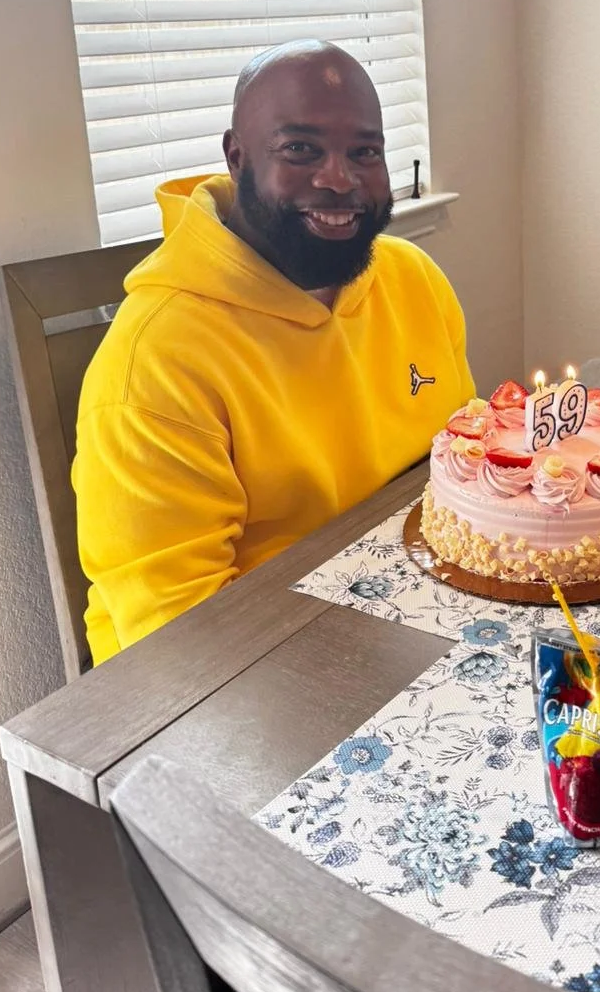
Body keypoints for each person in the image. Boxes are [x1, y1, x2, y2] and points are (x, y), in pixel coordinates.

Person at [74, 41, 475, 664]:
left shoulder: (414, 277)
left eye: (364, 152)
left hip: (423, 612)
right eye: (301, 149)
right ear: (236, 157)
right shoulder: (154, 361)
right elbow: (178, 640)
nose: (339, 179)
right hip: (247, 668)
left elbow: (464, 464)